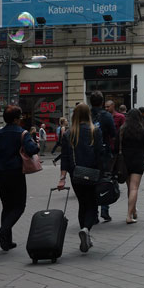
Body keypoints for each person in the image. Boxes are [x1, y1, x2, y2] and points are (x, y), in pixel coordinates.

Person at [0, 105, 39, 251]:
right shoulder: (22, 133)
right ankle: (2, 231)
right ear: (17, 119)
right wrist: (34, 144)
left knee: (6, 206)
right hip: (16, 172)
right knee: (19, 206)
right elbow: (32, 149)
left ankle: (7, 242)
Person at [57, 102, 108, 252]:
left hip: (76, 174)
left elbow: (65, 157)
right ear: (88, 114)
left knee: (82, 204)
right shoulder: (95, 131)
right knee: (92, 204)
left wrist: (62, 178)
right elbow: (100, 154)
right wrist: (103, 173)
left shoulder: (68, 134)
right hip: (92, 173)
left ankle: (85, 233)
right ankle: (86, 229)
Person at [120, 109, 144, 223]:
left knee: (130, 187)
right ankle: (129, 215)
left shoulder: (122, 130)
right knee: (134, 188)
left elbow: (117, 144)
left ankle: (133, 211)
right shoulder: (142, 131)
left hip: (125, 160)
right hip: (137, 160)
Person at [90, 91, 117, 223]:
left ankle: (93, 214)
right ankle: (104, 210)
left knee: (91, 182)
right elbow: (113, 134)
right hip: (104, 152)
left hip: (89, 153)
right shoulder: (106, 115)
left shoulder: (87, 115)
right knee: (104, 180)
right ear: (102, 102)